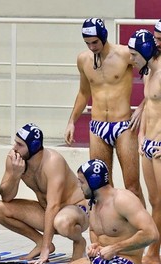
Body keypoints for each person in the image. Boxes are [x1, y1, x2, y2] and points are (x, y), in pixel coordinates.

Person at [64, 18, 145, 205]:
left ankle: (145, 230)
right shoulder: (83, 60)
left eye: (95, 42)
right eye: (87, 43)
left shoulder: (125, 54)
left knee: (132, 187)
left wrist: (142, 106)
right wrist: (71, 121)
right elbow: (84, 93)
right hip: (98, 127)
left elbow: (154, 73)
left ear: (103, 37)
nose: (92, 47)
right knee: (100, 187)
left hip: (124, 125)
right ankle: (112, 230)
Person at [0, 123, 89, 264]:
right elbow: (6, 197)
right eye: (15, 142)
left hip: (76, 210)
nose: (14, 148)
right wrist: (15, 175)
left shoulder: (52, 162)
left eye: (20, 144)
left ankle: (79, 241)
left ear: (33, 147)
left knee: (62, 222)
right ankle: (39, 242)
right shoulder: (15, 158)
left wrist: (46, 248)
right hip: (48, 211)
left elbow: (54, 204)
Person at [48, 159, 159, 264]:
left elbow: (151, 234)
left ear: (93, 182)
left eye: (81, 182)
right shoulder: (92, 203)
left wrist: (115, 248)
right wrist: (95, 247)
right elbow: (94, 231)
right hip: (99, 260)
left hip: (125, 263)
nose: (79, 186)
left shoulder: (123, 200)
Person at [128, 29, 161, 264]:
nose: (131, 59)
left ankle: (152, 252)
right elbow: (151, 104)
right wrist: (140, 135)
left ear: (146, 51)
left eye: (134, 55)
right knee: (155, 201)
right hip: (148, 143)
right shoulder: (149, 71)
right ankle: (153, 251)